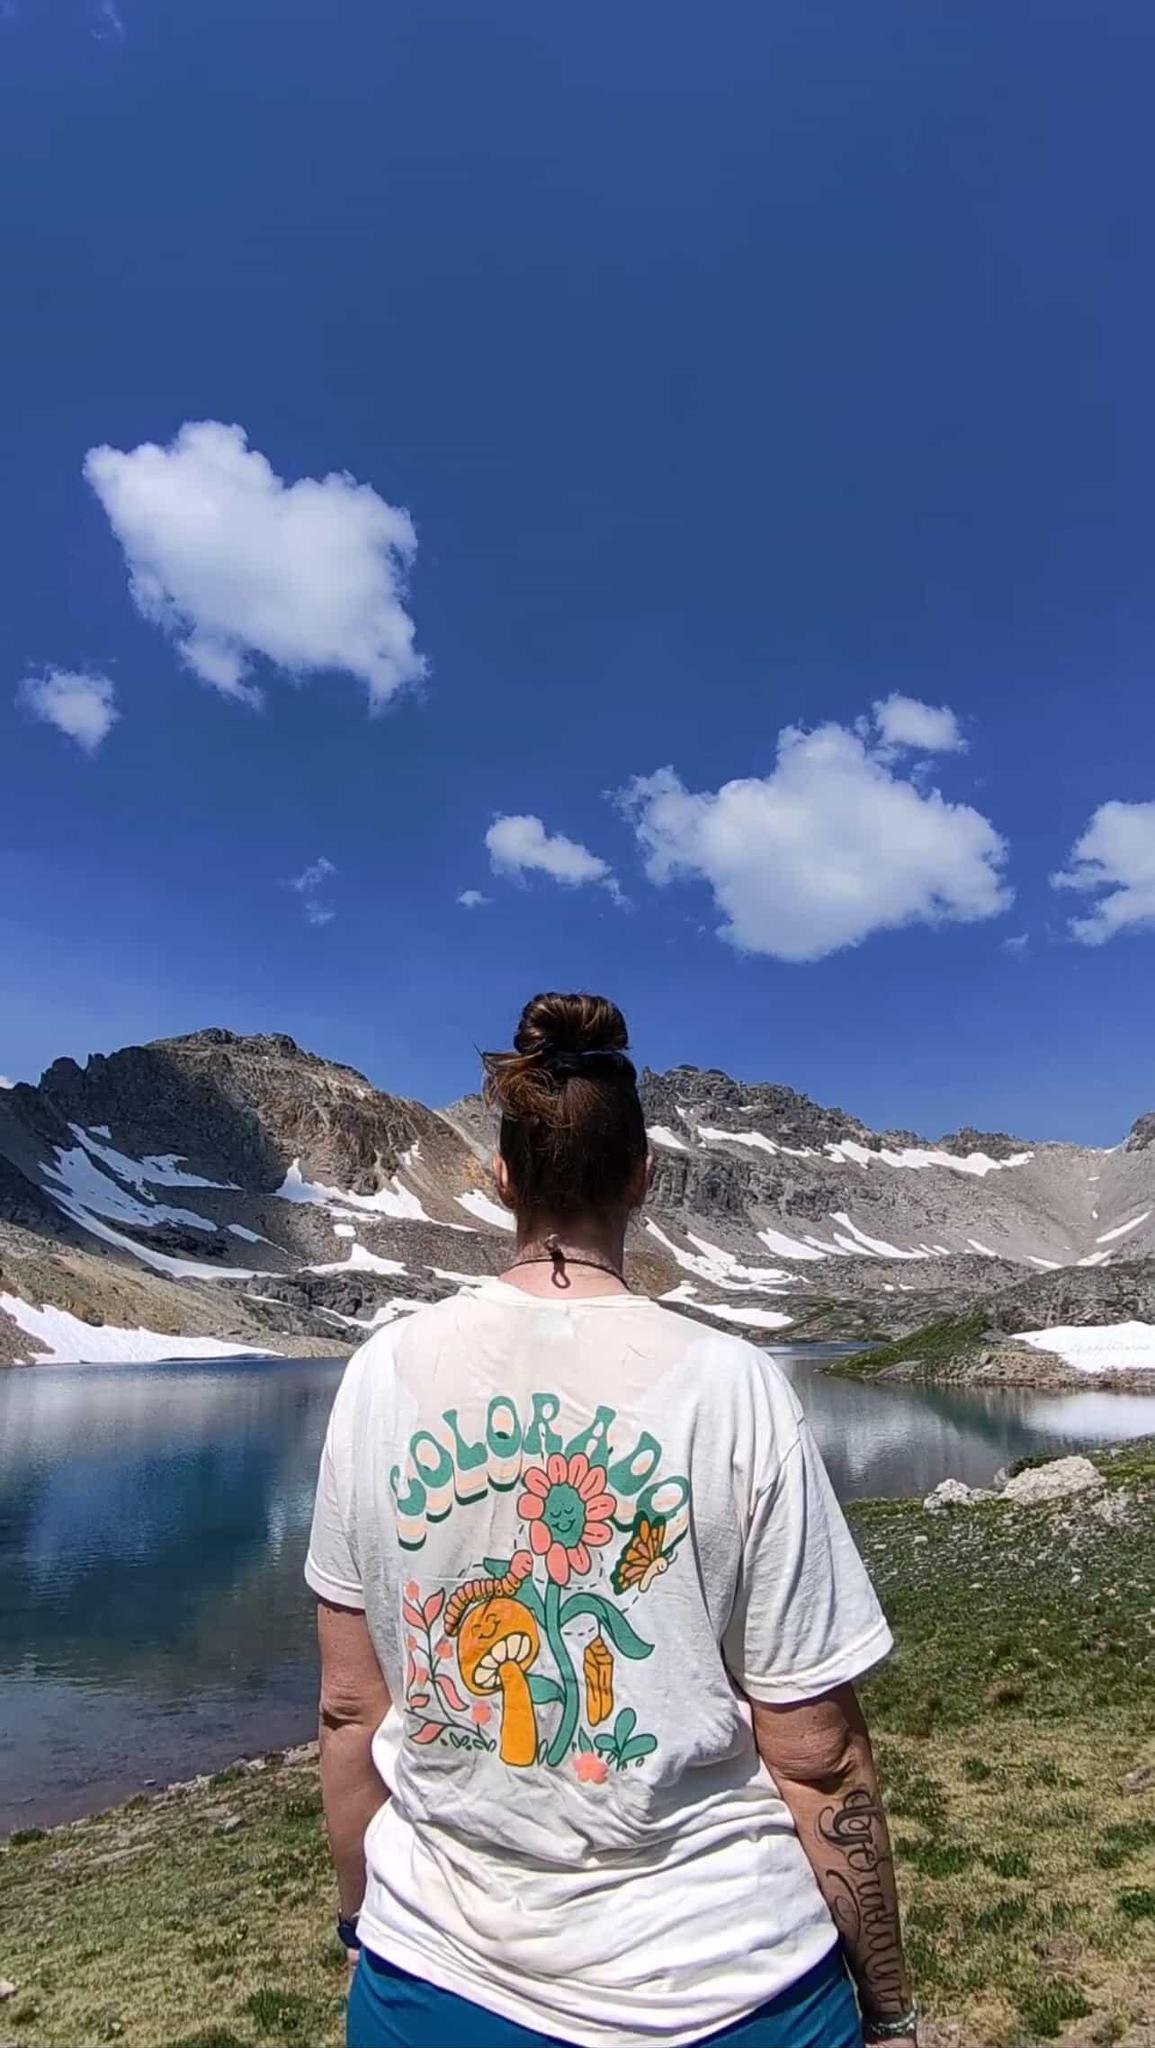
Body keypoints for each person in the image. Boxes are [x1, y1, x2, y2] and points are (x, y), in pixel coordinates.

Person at [306, 992, 917, 2048]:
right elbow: (820, 1755)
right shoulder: (736, 1385)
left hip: (438, 1985)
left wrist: (366, 1916)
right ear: (643, 1176)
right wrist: (891, 2007)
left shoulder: (380, 1375)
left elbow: (349, 1711)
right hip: (731, 1986)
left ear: (501, 1179)